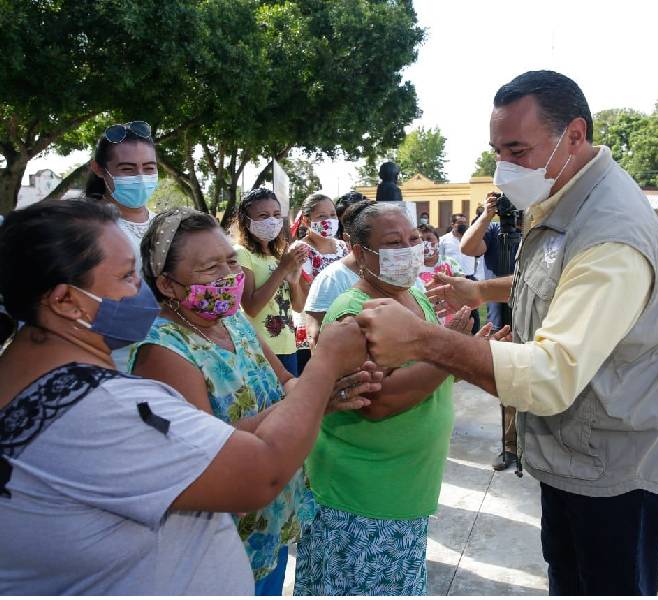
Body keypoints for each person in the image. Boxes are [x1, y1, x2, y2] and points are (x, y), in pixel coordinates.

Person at [354, 70, 658, 595]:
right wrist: (483, 293)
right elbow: (554, 282)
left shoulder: (610, 231)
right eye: (497, 151)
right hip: (577, 450)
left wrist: (426, 341)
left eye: (517, 151)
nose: (503, 169)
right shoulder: (568, 194)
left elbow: (550, 376)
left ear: (574, 135)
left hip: (618, 462)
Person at [0, 199, 370, 594]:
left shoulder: (44, 385)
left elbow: (279, 386)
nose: (142, 289)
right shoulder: (96, 407)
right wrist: (326, 364)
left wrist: (309, 395)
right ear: (65, 301)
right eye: (128, 276)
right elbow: (253, 478)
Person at [129, 206, 380, 593]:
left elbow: (284, 380)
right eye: (209, 268)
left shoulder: (232, 321)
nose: (229, 276)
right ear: (167, 284)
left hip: (269, 519)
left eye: (231, 261)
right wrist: (315, 394)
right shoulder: (163, 352)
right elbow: (209, 456)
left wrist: (320, 392)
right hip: (222, 538)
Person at [294, 201, 486, 596]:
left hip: (404, 492)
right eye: (394, 242)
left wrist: (465, 356)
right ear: (360, 252)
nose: (410, 248)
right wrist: (454, 355)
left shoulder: (414, 295)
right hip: (360, 499)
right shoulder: (354, 315)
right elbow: (377, 402)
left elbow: (424, 376)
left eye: (413, 239)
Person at [460, 192, 524, 471]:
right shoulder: (495, 229)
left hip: (539, 313)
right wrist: (487, 215)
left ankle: (538, 442)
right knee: (510, 378)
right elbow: (467, 247)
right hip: (503, 314)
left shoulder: (542, 227)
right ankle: (510, 446)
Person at [235, 188, 307, 376]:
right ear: (246, 221)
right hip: (261, 347)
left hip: (288, 345)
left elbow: (299, 307)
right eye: (263, 216)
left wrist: (293, 281)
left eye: (276, 215)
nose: (272, 221)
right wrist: (282, 269)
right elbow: (251, 307)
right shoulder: (242, 253)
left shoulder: (279, 255)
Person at [85, 121, 159, 274]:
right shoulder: (86, 228)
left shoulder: (166, 223)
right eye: (127, 169)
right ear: (98, 169)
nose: (141, 177)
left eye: (149, 168)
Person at [291, 193, 350, 373]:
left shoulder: (343, 247)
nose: (329, 220)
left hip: (346, 325)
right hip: (315, 329)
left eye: (332, 215)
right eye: (322, 216)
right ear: (307, 221)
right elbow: (303, 302)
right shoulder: (300, 250)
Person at [304, 198, 373, 347]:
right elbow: (316, 339)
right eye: (322, 216)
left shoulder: (400, 276)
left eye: (332, 214)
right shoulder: (330, 278)